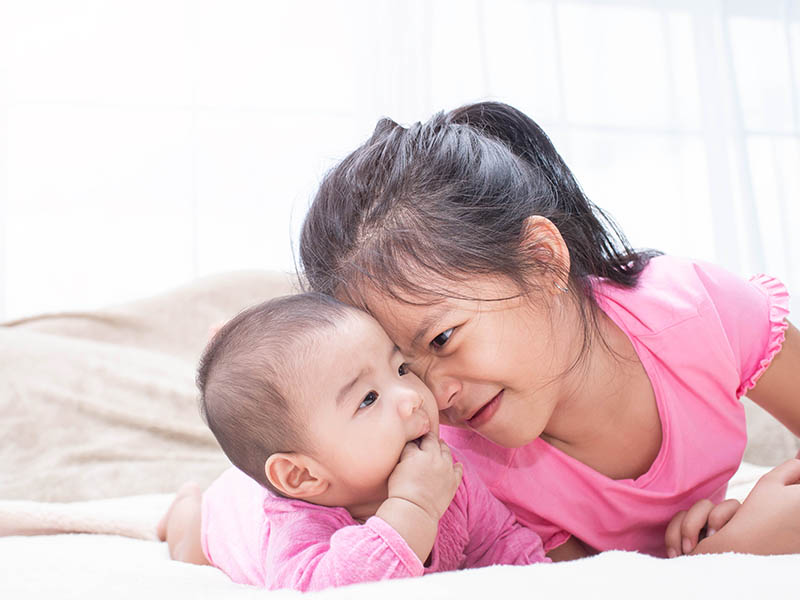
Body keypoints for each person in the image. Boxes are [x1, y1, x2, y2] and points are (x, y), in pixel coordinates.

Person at [295, 101, 800, 559]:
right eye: (404, 368)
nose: (436, 396)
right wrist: (728, 552)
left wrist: (765, 509)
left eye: (443, 339)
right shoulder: (462, 469)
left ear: (541, 259)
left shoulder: (696, 311)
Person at [158, 293, 549, 591]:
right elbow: (330, 590)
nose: (411, 396)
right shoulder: (299, 525)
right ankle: (183, 507)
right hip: (226, 512)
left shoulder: (445, 475)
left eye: (400, 369)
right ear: (300, 475)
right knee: (192, 547)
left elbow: (500, 542)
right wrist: (414, 507)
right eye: (368, 399)